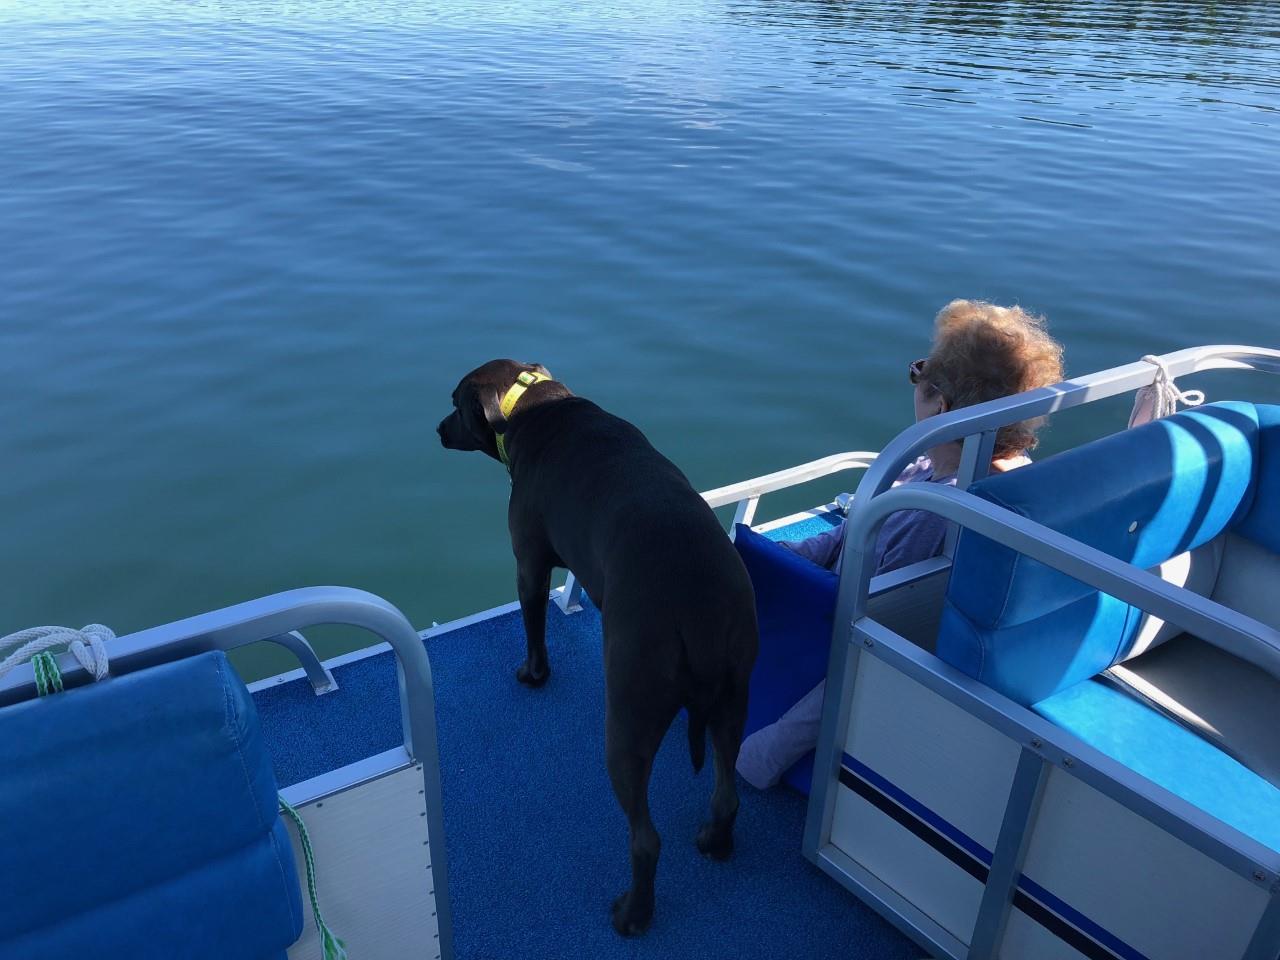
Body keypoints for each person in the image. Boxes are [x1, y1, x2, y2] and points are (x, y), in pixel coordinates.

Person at [735, 299, 1065, 790]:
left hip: (855, 628)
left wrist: (770, 747)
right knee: (746, 561)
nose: (914, 381)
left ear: (942, 406)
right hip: (861, 598)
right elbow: (845, 537)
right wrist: (777, 557)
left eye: (920, 372)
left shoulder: (931, 512)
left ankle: (763, 745)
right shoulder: (934, 467)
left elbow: (871, 637)